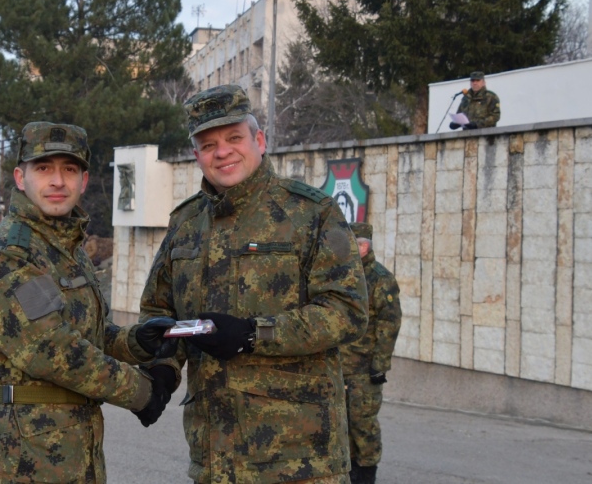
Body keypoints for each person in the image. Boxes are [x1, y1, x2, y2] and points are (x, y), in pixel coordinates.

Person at [136, 84, 369, 483]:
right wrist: (162, 369)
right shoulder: (186, 223)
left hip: (299, 460)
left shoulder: (311, 213)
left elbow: (346, 311)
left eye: (233, 138)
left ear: (259, 140)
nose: (222, 151)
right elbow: (160, 311)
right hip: (213, 458)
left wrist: (252, 334)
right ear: (197, 156)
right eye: (208, 145)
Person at [0, 122, 173, 484]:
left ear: (83, 181)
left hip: (66, 448)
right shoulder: (11, 252)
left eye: (69, 169)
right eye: (44, 168)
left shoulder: (64, 249)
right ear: (20, 178)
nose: (58, 181)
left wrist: (135, 342)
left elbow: (83, 334)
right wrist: (142, 392)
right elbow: (50, 348)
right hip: (18, 458)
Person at [343, 223, 402, 484]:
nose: (359, 249)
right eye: (354, 243)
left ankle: (366, 475)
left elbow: (390, 324)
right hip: (339, 367)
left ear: (370, 246)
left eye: (363, 244)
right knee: (341, 425)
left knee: (363, 423)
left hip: (364, 369)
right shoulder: (342, 275)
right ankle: (349, 473)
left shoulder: (380, 278)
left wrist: (380, 365)